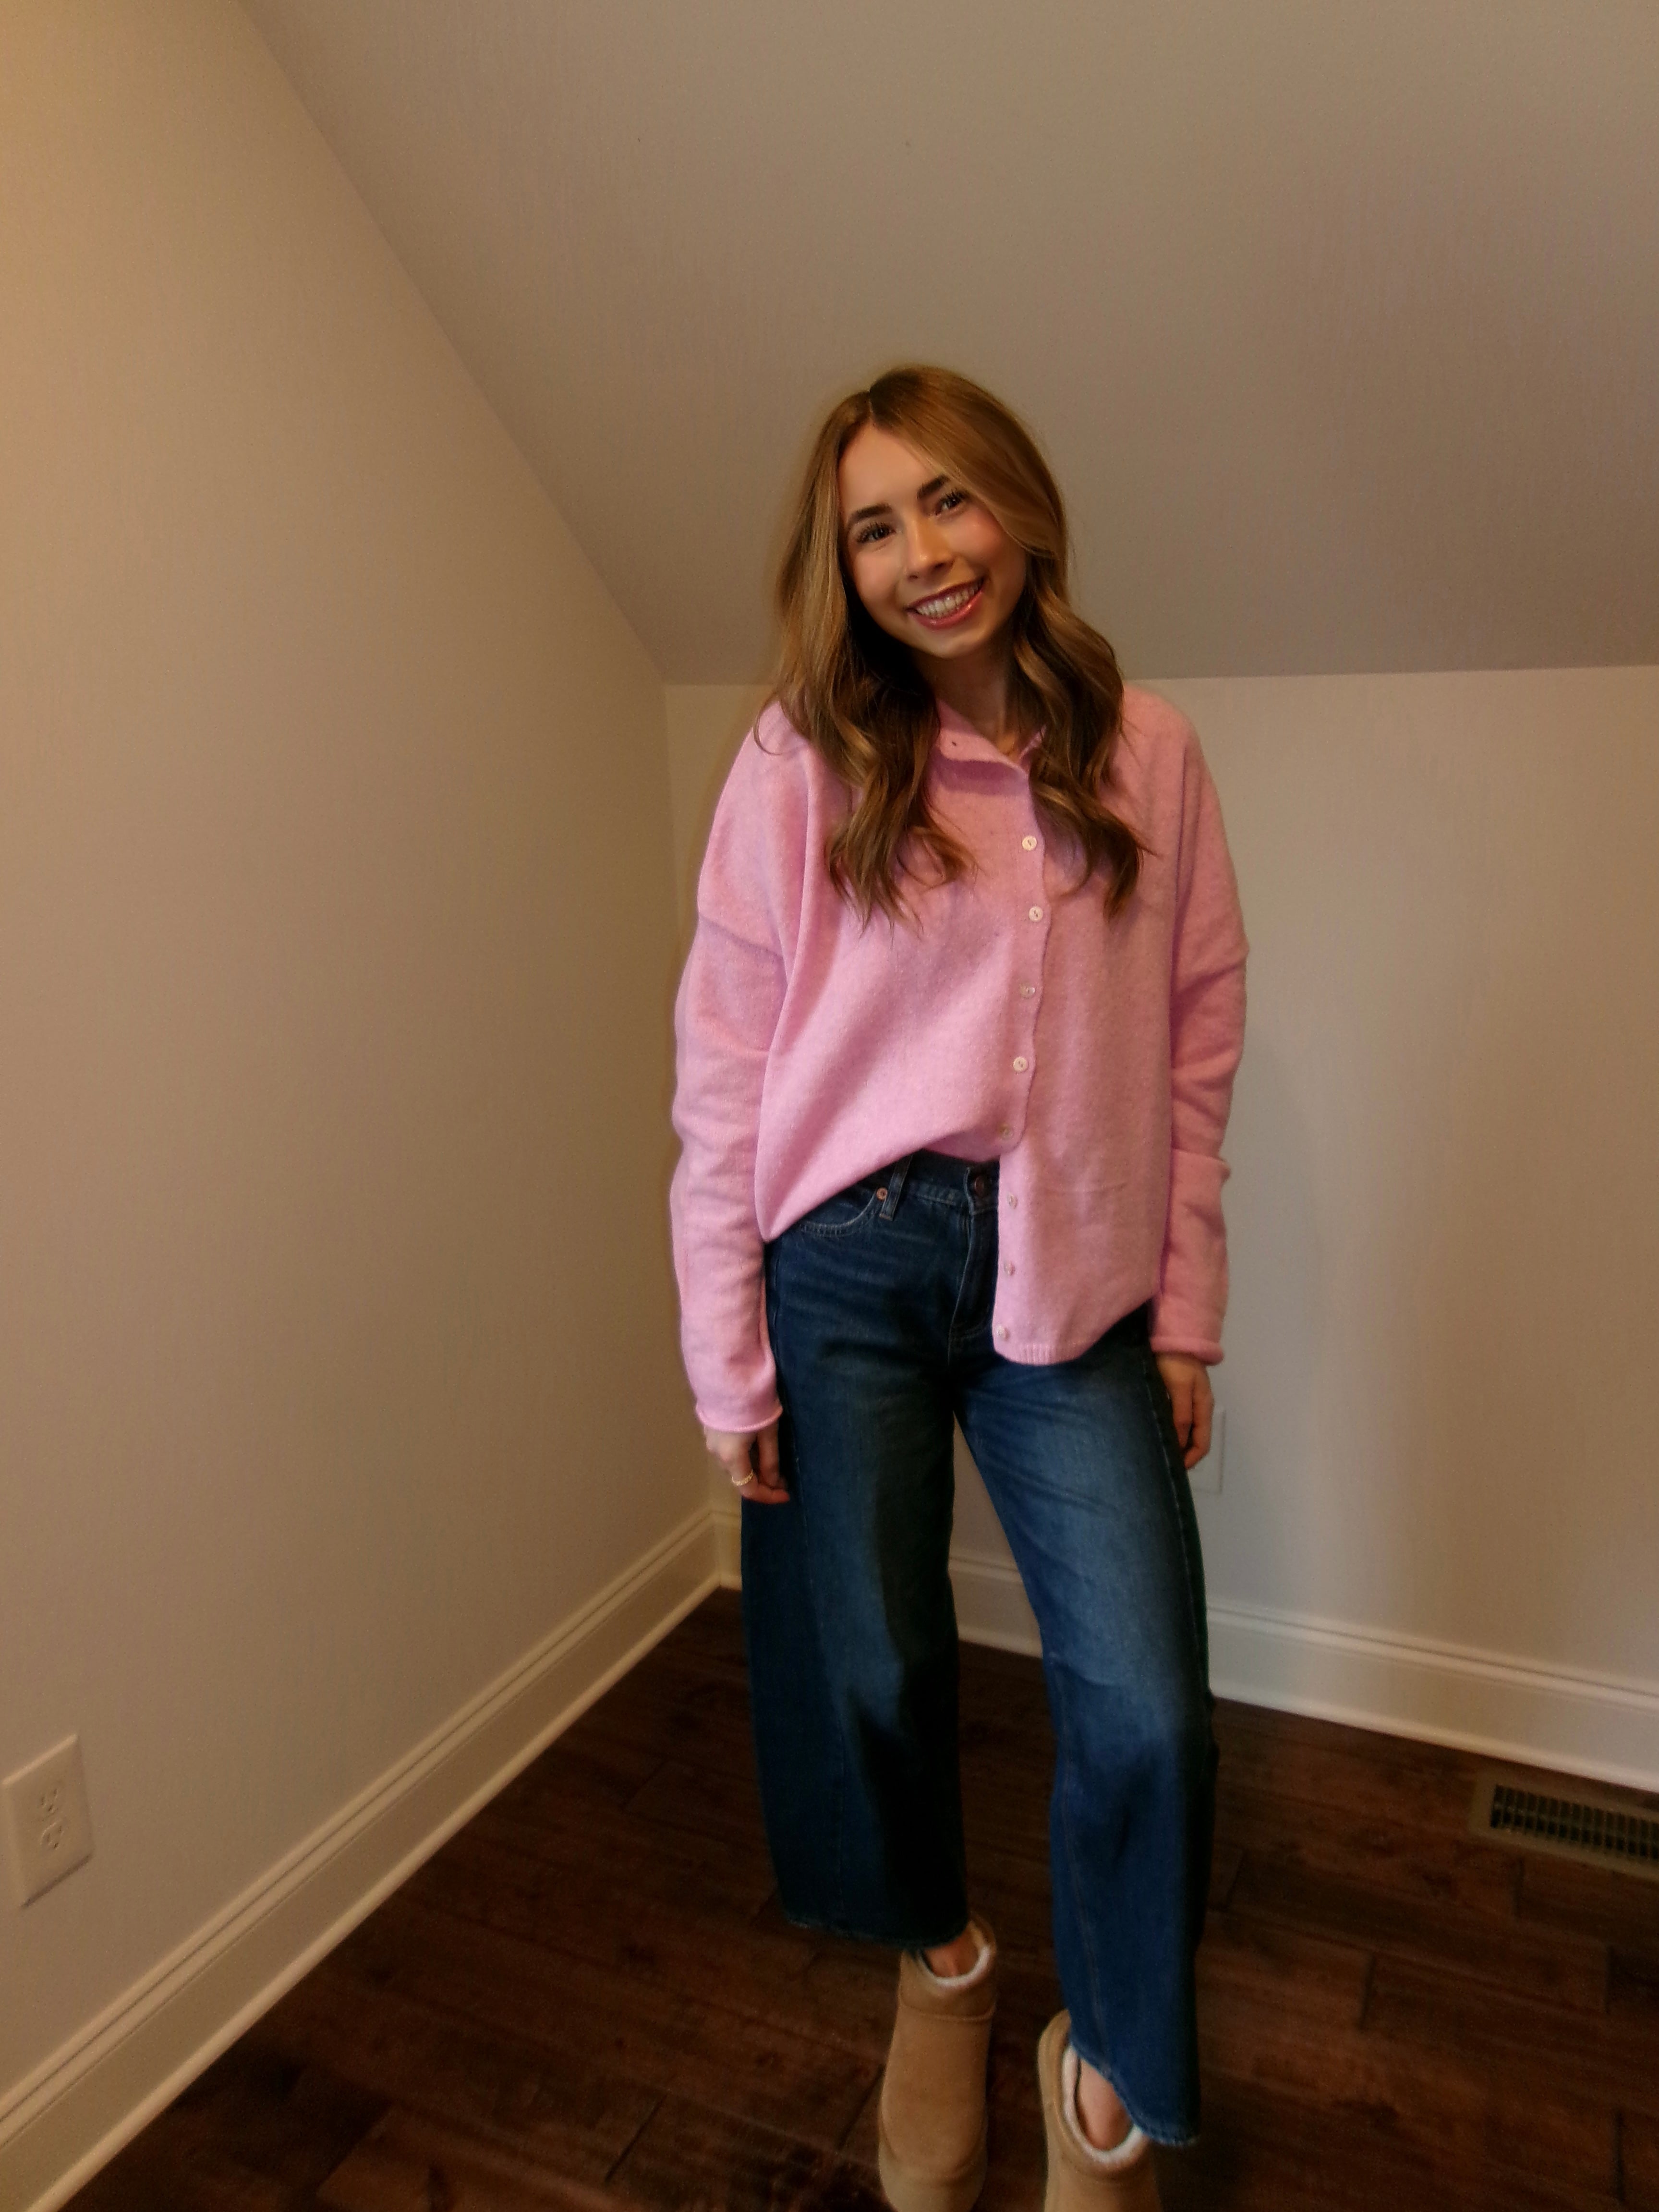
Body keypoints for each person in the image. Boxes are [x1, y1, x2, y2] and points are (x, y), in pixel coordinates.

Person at [669, 365, 1247, 2212]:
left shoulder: (1146, 751)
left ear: (1022, 510)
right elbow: (722, 1073)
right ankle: (945, 1971)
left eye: (951, 503)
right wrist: (725, 1356)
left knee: (1148, 1704)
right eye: (875, 525)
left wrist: (1187, 1309)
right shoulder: (799, 761)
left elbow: (1194, 1051)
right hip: (841, 1263)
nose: (924, 554)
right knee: (879, 1672)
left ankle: (1110, 2084)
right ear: (839, 566)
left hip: (1066, 1268)